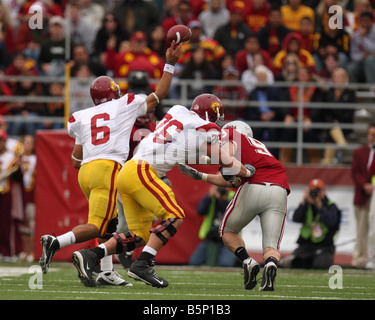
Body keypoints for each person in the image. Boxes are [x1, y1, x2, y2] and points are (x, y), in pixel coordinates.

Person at [71, 94, 254, 288]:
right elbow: (223, 159)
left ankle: (90, 255)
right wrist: (245, 170)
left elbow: (194, 151)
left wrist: (209, 167)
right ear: (211, 115)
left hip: (128, 172)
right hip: (142, 171)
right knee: (175, 215)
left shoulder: (178, 113)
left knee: (139, 236)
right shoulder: (205, 128)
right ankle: (143, 263)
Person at [39, 41, 182, 286]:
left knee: (111, 222)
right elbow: (159, 95)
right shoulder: (124, 104)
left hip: (85, 172)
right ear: (113, 92)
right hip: (109, 168)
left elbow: (75, 159)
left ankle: (106, 272)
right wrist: (169, 63)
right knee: (98, 225)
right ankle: (56, 242)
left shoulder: (81, 116)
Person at [179, 120, 290, 291]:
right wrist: (201, 174)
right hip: (280, 188)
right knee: (271, 246)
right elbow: (232, 180)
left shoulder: (231, 136)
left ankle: (248, 260)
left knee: (227, 231)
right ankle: (270, 264)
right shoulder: (258, 146)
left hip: (254, 185)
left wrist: (222, 165)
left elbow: (228, 160)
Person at [282, 179, 341, 269]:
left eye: (318, 191)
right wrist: (303, 201)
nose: (315, 194)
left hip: (324, 246)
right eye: (313, 191)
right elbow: (296, 218)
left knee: (319, 265)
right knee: (294, 263)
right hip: (306, 245)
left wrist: (319, 206)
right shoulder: (307, 204)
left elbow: (331, 222)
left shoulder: (330, 206)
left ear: (324, 191)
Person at [189, 185, 237, 267]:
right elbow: (200, 211)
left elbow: (234, 215)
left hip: (229, 236)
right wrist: (208, 197)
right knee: (194, 262)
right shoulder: (211, 197)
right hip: (211, 235)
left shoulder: (234, 196)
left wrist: (224, 200)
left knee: (226, 264)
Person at [350, 123, 375, 268]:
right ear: (367, 135)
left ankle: (372, 259)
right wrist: (364, 185)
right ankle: (359, 259)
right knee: (361, 229)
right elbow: (355, 172)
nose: (373, 137)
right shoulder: (359, 152)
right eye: (371, 134)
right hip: (362, 195)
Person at [346, 11, 375, 83]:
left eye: (366, 21)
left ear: (371, 21)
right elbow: (353, 54)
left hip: (373, 61)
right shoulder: (356, 35)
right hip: (361, 61)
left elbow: (373, 49)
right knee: (351, 68)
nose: (364, 23)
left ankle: (371, 89)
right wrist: (362, 56)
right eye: (362, 21)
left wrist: (363, 38)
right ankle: (352, 92)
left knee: (369, 60)